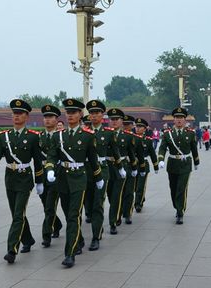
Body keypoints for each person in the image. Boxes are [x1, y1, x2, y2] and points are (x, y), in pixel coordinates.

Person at [44, 98, 103, 268]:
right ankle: (79, 239)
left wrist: (98, 178)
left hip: (79, 178)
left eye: (74, 113)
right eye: (68, 112)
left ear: (80, 115)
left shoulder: (87, 136)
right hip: (62, 178)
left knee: (73, 214)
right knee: (67, 211)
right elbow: (52, 156)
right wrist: (49, 169)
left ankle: (69, 253)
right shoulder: (57, 136)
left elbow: (93, 160)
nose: (70, 115)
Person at [0, 99, 44, 264]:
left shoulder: (33, 137)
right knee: (16, 213)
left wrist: (39, 181)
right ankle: (28, 239)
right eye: (14, 114)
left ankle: (12, 249)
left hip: (25, 178)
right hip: (10, 178)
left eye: (19, 114)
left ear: (26, 116)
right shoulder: (4, 136)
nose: (16, 117)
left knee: (18, 214)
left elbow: (38, 161)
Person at [85, 99, 124, 251]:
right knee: (87, 203)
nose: (94, 116)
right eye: (92, 113)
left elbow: (115, 152)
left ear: (102, 115)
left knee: (98, 204)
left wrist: (120, 168)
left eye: (97, 113)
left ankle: (96, 236)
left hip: (102, 170)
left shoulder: (108, 134)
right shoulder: (84, 132)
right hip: (86, 170)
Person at [158, 107, 199, 225]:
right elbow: (162, 148)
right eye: (177, 118)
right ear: (173, 120)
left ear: (185, 120)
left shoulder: (190, 133)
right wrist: (160, 159)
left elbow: (194, 148)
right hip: (172, 164)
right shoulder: (167, 134)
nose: (179, 120)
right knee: (173, 188)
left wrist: (196, 162)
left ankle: (180, 212)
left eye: (181, 118)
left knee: (182, 188)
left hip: (185, 164)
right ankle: (177, 206)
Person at [39, 104, 63, 248]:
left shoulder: (62, 136)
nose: (47, 120)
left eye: (50, 117)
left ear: (56, 119)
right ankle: (57, 224)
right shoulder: (39, 137)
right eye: (45, 117)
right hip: (42, 174)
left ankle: (46, 235)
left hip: (57, 174)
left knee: (49, 206)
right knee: (45, 205)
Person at [119, 115, 145, 220]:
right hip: (119, 166)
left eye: (128, 124)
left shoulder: (136, 139)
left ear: (132, 125)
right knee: (119, 192)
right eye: (124, 124)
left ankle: (127, 214)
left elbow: (140, 155)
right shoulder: (116, 136)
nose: (126, 126)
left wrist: (142, 169)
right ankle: (118, 212)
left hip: (131, 166)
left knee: (129, 191)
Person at [134, 118, 158, 213]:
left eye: (140, 127)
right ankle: (141, 197)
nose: (138, 128)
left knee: (140, 185)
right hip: (133, 165)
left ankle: (138, 204)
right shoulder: (131, 138)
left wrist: (155, 166)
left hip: (143, 164)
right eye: (137, 126)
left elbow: (152, 154)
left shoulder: (148, 141)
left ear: (145, 129)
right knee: (134, 186)